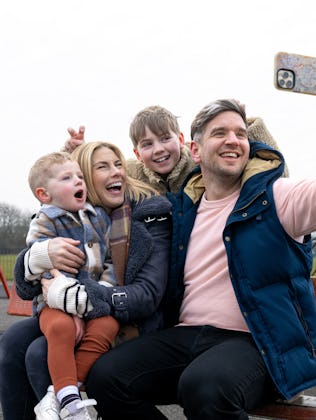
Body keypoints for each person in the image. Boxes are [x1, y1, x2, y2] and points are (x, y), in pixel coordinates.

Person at [74, 99, 316, 420]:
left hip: (258, 342)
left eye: (241, 134)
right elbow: (125, 178)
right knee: (105, 377)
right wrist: (75, 161)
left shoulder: (277, 196)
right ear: (195, 151)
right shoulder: (182, 210)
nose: (233, 140)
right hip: (188, 334)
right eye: (220, 133)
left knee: (203, 386)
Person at [0, 141, 171, 420]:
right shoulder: (72, 214)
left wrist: (85, 300)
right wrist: (38, 256)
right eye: (101, 166)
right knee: (13, 340)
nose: (116, 172)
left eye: (119, 164)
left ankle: (64, 400)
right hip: (67, 305)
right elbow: (25, 283)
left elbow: (146, 294)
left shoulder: (141, 214)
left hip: (121, 315)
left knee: (37, 353)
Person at [25, 151, 119, 419]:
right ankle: (72, 405)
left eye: (80, 176)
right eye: (67, 178)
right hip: (54, 301)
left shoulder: (98, 216)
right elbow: (41, 266)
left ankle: (63, 395)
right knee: (61, 327)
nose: (79, 181)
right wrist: (70, 308)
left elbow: (109, 260)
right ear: (44, 194)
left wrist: (103, 289)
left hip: (94, 299)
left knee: (108, 325)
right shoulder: (45, 220)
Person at [64, 105, 288, 196]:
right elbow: (91, 180)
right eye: (147, 144)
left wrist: (245, 128)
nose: (159, 149)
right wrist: (74, 154)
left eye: (165, 139)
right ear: (136, 153)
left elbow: (279, 173)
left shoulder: (204, 163)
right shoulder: (129, 173)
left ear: (181, 139)